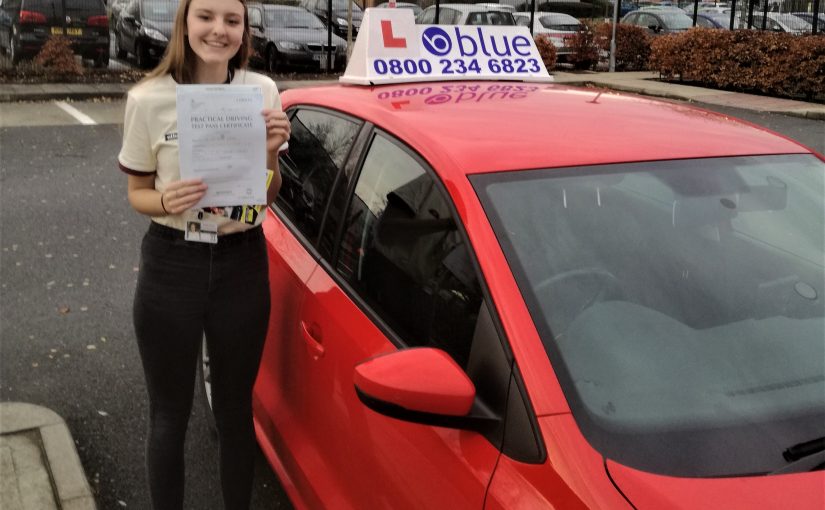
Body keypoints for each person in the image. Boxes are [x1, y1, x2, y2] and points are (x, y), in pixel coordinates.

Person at [117, 0, 290, 507]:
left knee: (235, 413)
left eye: (232, 21)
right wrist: (164, 199)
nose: (219, 30)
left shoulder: (260, 92)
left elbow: (265, 196)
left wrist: (269, 154)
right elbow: (137, 193)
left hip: (241, 261)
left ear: (243, 31)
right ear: (184, 24)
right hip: (172, 263)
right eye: (206, 17)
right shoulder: (149, 99)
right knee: (169, 414)